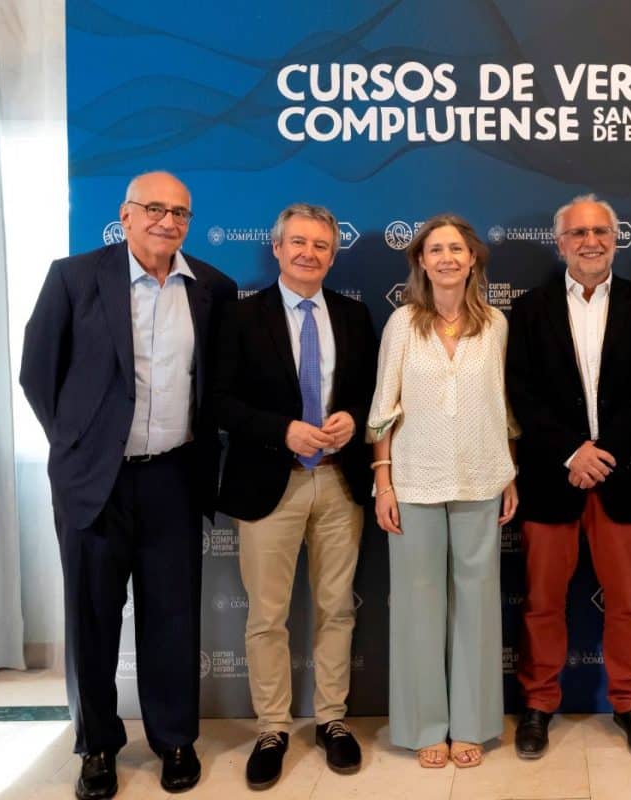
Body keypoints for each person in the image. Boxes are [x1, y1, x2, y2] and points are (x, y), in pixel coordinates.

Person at [19, 171, 237, 799]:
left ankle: (174, 740)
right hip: (95, 481)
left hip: (174, 476)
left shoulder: (213, 288)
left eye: (180, 212)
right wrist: (78, 444)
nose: (167, 221)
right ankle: (96, 746)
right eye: (154, 209)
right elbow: (38, 371)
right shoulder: (74, 277)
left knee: (173, 616)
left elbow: (215, 385)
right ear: (126, 214)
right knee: (91, 619)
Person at [213, 203, 376, 789]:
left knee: (337, 607)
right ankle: (272, 729)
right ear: (277, 248)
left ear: (333, 255)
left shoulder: (354, 316)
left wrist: (353, 417)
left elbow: (372, 393)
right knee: (267, 615)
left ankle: (332, 719)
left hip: (338, 481)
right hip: (268, 483)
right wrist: (280, 430)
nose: (309, 253)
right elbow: (217, 401)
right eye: (299, 243)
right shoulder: (239, 316)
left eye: (321, 245)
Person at [506, 194, 631, 763]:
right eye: (578, 233)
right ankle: (538, 703)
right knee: (542, 603)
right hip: (553, 479)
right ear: (560, 244)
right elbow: (521, 392)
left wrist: (605, 454)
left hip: (624, 477)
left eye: (601, 231)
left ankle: (630, 704)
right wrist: (572, 452)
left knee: (629, 602)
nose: (590, 241)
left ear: (616, 239)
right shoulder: (529, 309)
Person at [367, 214, 518, 769]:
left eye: (456, 248)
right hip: (414, 480)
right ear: (421, 261)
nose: (447, 258)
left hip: (481, 477)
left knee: (478, 604)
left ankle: (473, 724)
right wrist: (383, 481)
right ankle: (424, 725)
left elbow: (503, 406)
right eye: (436, 250)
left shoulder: (496, 324)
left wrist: (509, 473)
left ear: (472, 259)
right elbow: (383, 409)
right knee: (417, 604)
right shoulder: (403, 324)